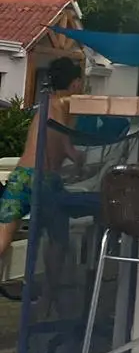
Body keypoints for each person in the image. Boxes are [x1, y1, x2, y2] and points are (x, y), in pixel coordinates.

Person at [0, 58, 84, 296]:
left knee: (3, 237)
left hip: (21, 177)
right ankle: (49, 294)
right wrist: (80, 161)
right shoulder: (67, 107)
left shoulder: (44, 104)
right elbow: (67, 149)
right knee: (57, 239)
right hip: (45, 181)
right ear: (75, 83)